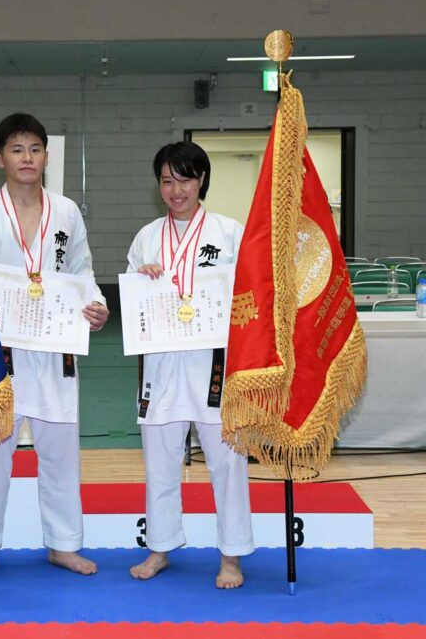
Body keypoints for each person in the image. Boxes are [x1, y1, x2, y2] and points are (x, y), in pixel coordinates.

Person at [0, 112, 110, 583]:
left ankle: (63, 545)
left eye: (35, 149)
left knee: (61, 450)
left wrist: (98, 305)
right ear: (0, 157)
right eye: (17, 149)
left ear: (47, 155)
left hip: (55, 347)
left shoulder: (66, 211)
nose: (27, 158)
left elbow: (82, 271)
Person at [125, 141, 255, 589]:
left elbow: (249, 298)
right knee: (159, 461)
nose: (175, 189)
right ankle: (160, 547)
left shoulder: (228, 232)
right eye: (166, 179)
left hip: (214, 364)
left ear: (202, 180)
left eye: (184, 178)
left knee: (227, 462)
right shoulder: (146, 237)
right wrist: (141, 282)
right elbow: (132, 301)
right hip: (161, 364)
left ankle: (231, 556)